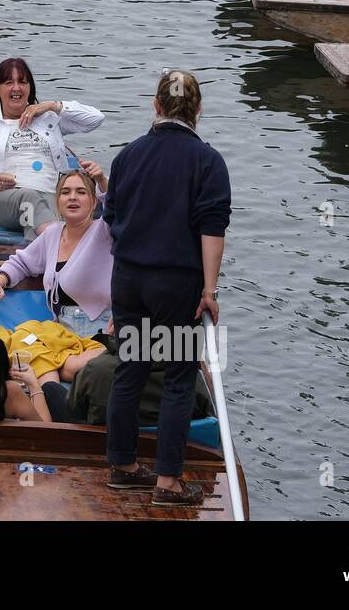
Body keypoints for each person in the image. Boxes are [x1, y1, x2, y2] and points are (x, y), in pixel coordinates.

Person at [102, 70, 231, 507]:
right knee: (179, 378)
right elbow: (212, 230)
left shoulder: (127, 157)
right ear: (197, 110)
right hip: (176, 283)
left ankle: (121, 466)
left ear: (155, 106)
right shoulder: (207, 161)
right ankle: (168, 483)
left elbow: (111, 223)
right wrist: (209, 291)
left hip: (130, 280)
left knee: (131, 369)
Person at [0, 169, 112, 389]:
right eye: (66, 192)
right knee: (22, 339)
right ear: (57, 200)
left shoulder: (106, 231)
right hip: (60, 332)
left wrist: (101, 181)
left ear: (94, 200)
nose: (72, 198)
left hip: (98, 330)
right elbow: (22, 262)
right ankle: (51, 389)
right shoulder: (53, 234)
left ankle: (50, 379)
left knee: (69, 367)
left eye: (81, 192)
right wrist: (0, 280)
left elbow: (120, 212)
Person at [0, 58, 105, 240]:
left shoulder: (48, 119)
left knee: (44, 211)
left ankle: (41, 261)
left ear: (30, 88)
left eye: (22, 82)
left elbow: (96, 118)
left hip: (49, 195)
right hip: (0, 202)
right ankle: (60, 247)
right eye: (9, 83)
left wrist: (53, 106)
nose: (16, 88)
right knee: (29, 200)